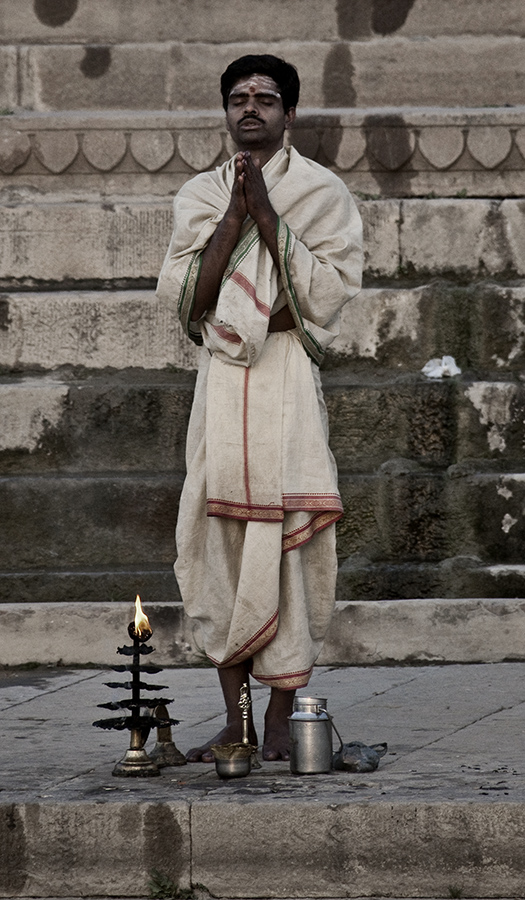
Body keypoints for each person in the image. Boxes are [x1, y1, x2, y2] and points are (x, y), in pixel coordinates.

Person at [156, 54, 362, 761]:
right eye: (239, 98)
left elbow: (330, 293)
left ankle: (279, 720)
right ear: (225, 111)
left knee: (287, 549)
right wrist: (233, 219)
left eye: (266, 99)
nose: (251, 108)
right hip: (220, 380)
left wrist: (269, 217)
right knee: (218, 546)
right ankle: (234, 720)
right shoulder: (197, 195)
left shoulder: (320, 192)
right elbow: (186, 297)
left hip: (283, 376)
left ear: (289, 113)